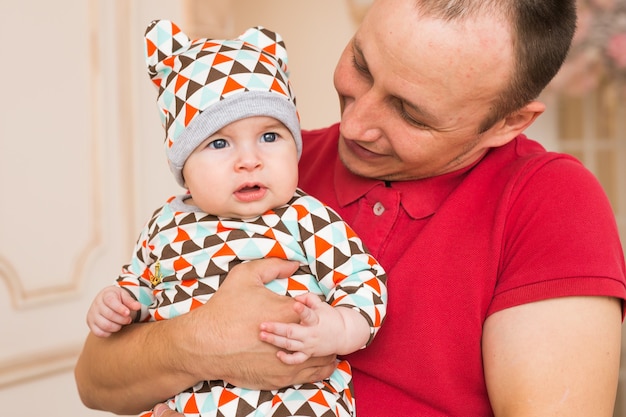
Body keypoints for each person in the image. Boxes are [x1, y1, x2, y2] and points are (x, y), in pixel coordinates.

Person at [75, 1, 626, 416]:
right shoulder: (267, 173)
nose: (356, 124)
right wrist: (203, 343)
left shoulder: (550, 203)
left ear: (509, 123)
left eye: (412, 114)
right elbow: (95, 380)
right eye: (361, 64)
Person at [83, 19, 387, 417]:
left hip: (295, 400)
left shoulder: (304, 217)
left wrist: (337, 328)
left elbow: (361, 278)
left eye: (270, 137)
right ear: (183, 164)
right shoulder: (164, 227)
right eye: (220, 143)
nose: (249, 161)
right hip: (194, 403)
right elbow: (147, 281)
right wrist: (120, 302)